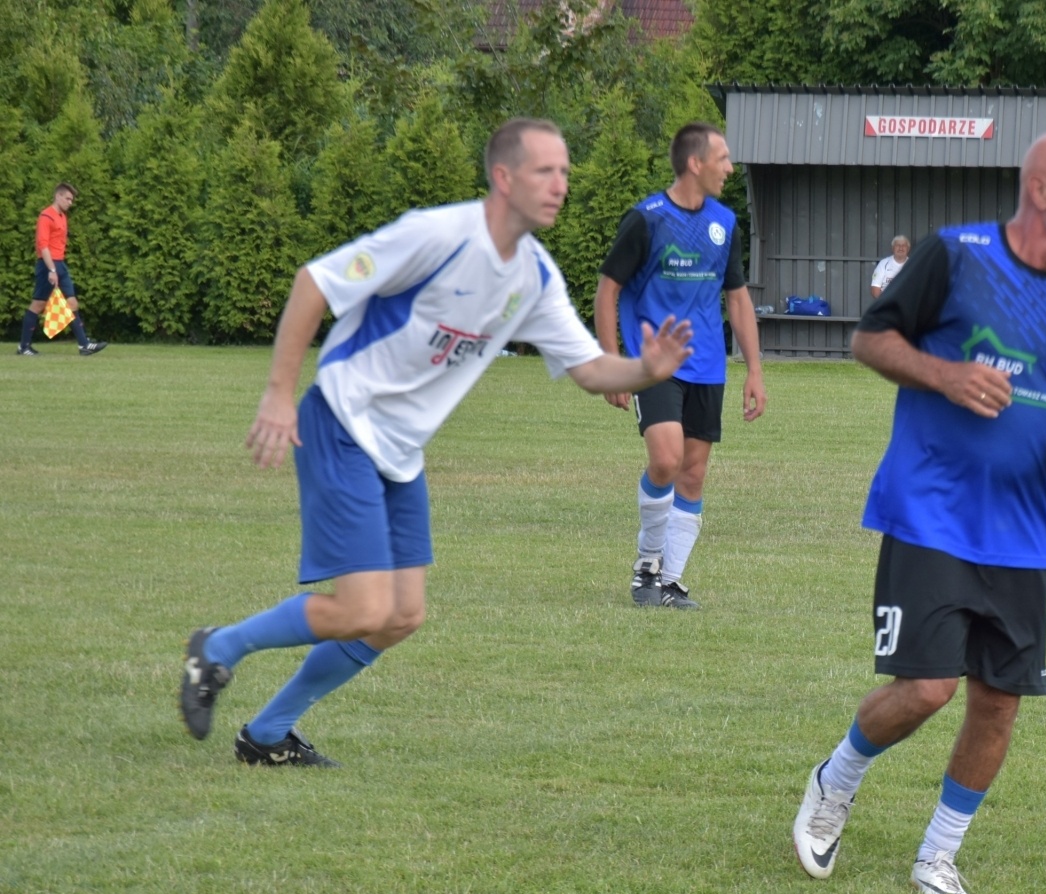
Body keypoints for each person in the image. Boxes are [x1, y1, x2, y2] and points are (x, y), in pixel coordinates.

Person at [177, 118, 692, 766]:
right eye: (545, 171)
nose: (561, 184)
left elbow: (590, 369)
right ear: (503, 178)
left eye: (565, 171)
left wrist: (647, 370)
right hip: (343, 420)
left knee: (401, 616)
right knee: (365, 607)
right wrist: (279, 394)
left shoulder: (533, 277)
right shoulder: (438, 235)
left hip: (400, 452)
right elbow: (315, 283)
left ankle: (269, 734)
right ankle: (218, 649)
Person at [791, 131, 1046, 894]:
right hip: (929, 506)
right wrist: (945, 374)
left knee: (997, 703)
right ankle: (835, 781)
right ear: (1040, 190)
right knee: (929, 686)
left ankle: (937, 856)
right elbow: (869, 340)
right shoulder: (955, 254)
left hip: (1022, 530)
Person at [596, 122, 766, 611]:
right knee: (666, 459)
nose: (731, 168)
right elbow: (608, 291)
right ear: (696, 163)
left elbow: (737, 299)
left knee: (692, 474)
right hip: (654, 360)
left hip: (708, 364)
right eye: (724, 158)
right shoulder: (646, 220)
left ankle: (670, 581)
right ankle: (646, 565)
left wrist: (754, 369)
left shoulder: (725, 223)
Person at [16, 183, 109, 357]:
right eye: (67, 198)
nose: (70, 202)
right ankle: (24, 346)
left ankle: (84, 345)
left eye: (71, 200)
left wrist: (58, 268)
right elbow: (43, 246)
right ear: (58, 196)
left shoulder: (62, 217)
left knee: (72, 302)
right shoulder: (46, 216)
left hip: (60, 264)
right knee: (38, 304)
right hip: (47, 265)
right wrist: (51, 269)